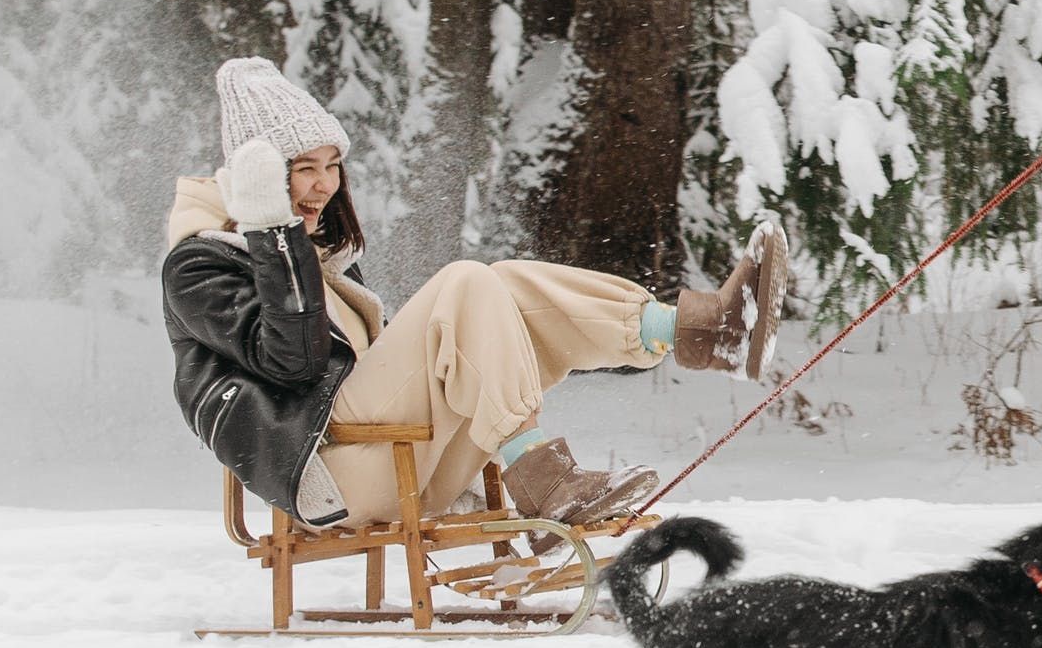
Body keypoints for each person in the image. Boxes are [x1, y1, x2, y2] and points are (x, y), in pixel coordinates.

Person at [163, 58, 788, 527]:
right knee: (463, 282)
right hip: (335, 478)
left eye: (332, 165)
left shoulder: (314, 258)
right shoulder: (199, 267)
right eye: (304, 168)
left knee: (502, 281)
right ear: (263, 181)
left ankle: (704, 331)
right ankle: (541, 476)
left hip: (406, 457)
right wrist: (272, 231)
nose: (325, 185)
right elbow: (293, 366)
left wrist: (288, 242)